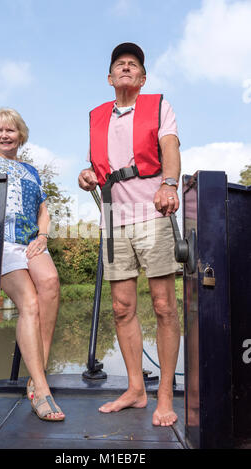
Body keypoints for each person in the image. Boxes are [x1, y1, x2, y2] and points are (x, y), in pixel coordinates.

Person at [78, 43, 181, 427]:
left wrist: (169, 183)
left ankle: (165, 394)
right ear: (110, 78)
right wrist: (85, 175)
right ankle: (136, 389)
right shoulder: (97, 116)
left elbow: (170, 145)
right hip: (113, 217)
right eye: (119, 64)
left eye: (133, 64)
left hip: (152, 213)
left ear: (142, 77)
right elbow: (96, 168)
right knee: (122, 307)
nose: (125, 67)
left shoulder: (158, 106)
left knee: (164, 305)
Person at [0, 108, 64, 422]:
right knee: (29, 304)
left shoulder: (32, 170)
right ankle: (42, 390)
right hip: (2, 242)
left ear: (21, 134)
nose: (5, 135)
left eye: (11, 130)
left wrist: (44, 235)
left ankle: (36, 373)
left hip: (31, 241)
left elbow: (43, 209)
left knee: (50, 284)